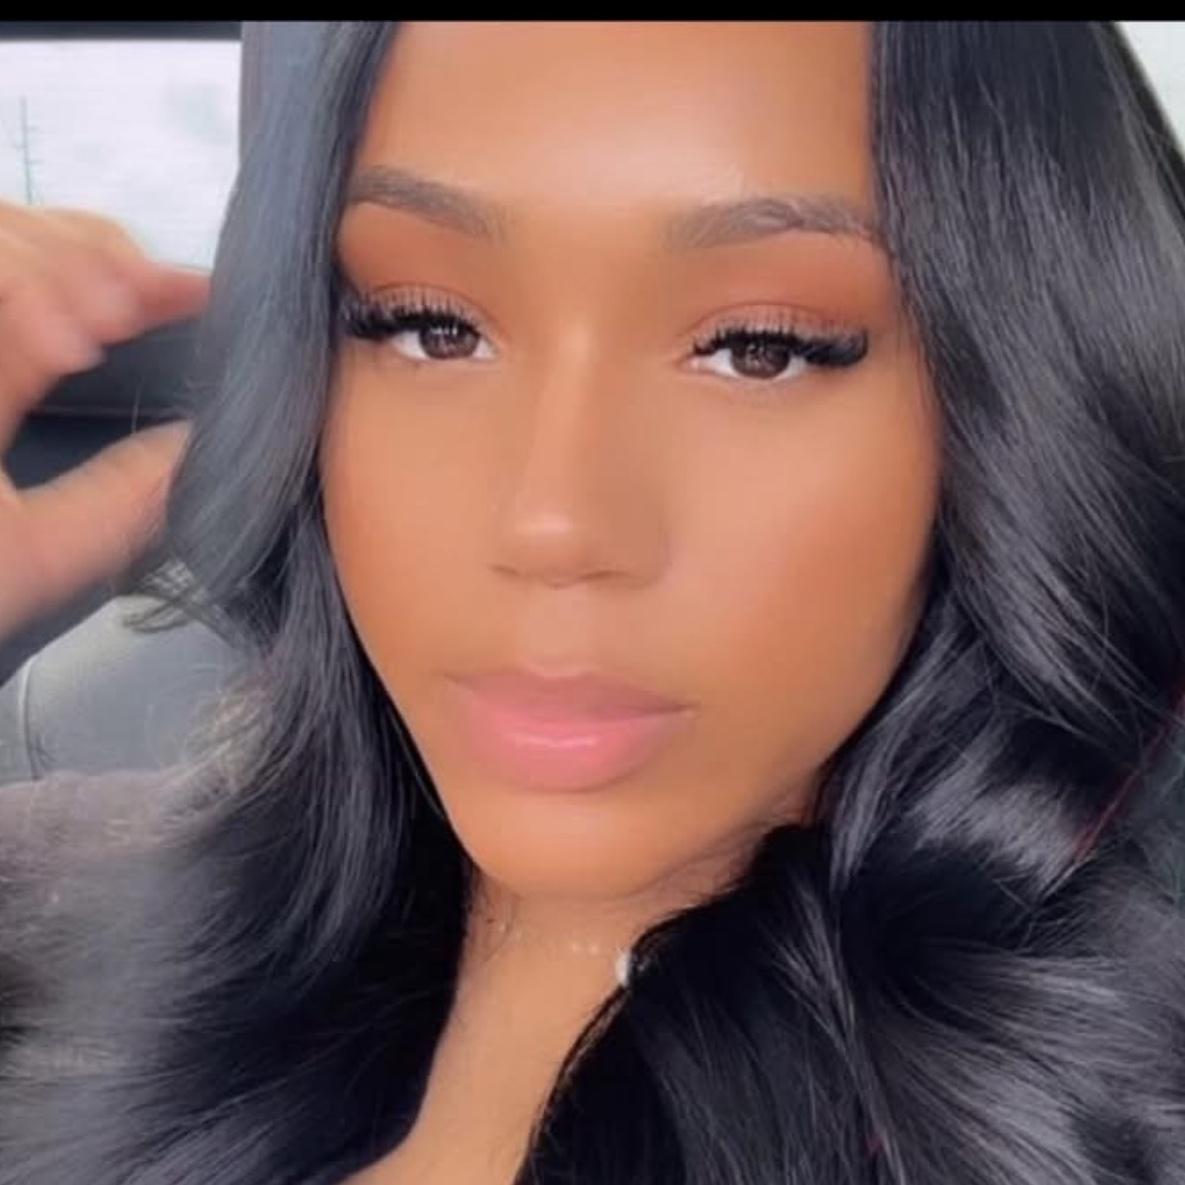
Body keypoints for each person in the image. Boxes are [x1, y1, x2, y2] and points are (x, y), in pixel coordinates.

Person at [2, 20, 1185, 1185]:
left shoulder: (1117, 1097)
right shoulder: (59, 906)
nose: (552, 523)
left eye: (760, 348)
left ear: (1016, 405)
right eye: (432, 328)